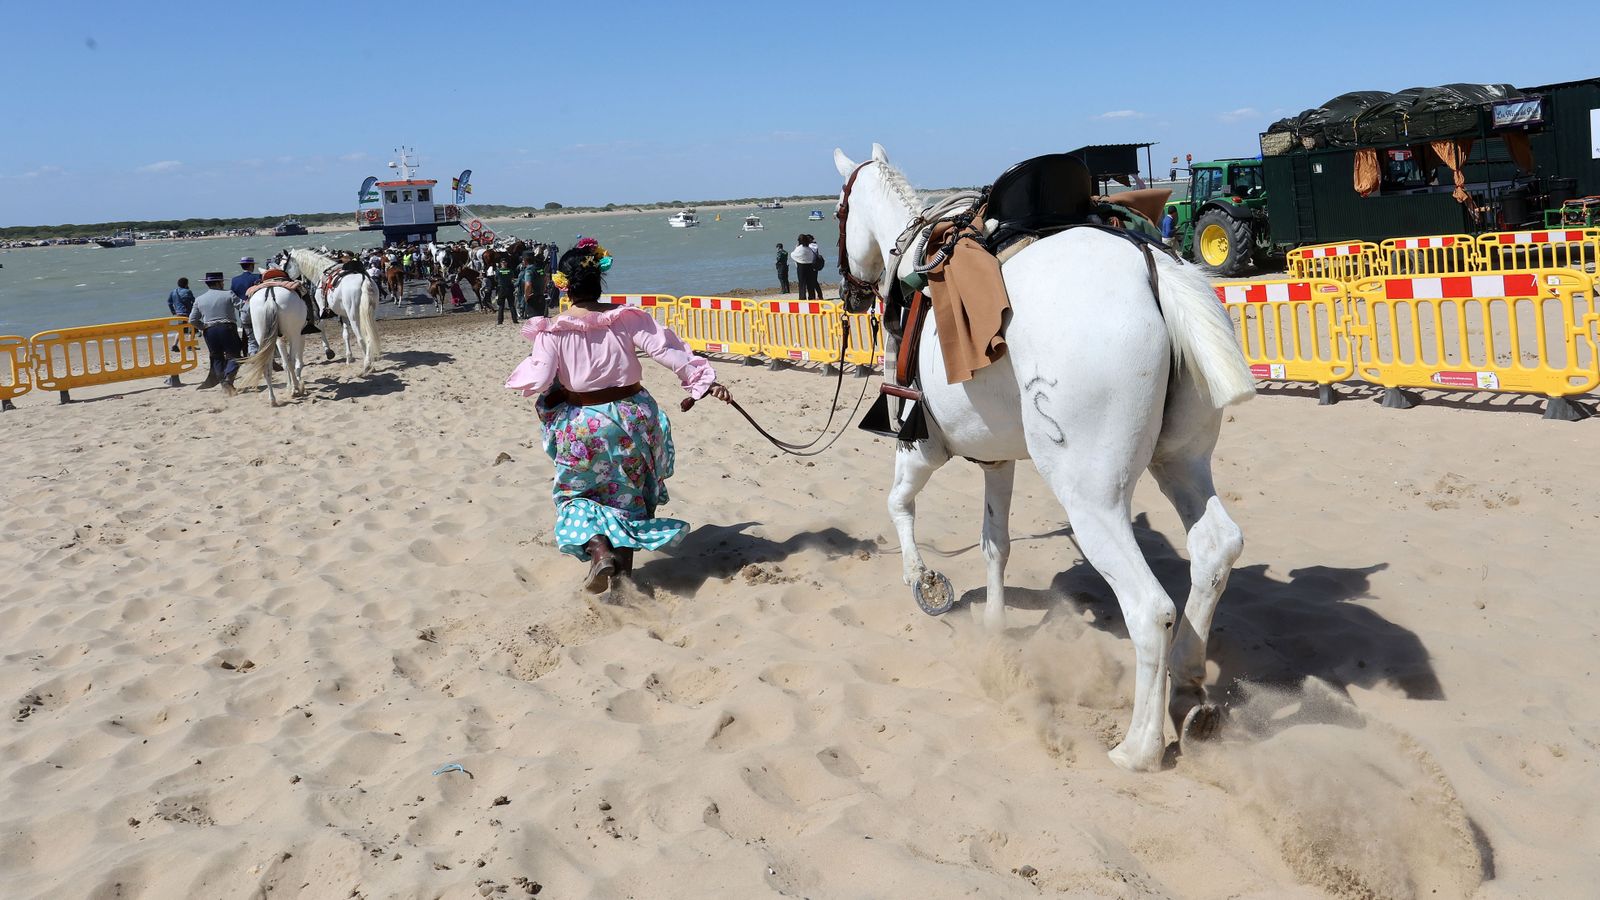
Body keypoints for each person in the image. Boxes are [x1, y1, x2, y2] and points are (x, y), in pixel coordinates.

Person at [505, 237, 732, 593]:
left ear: (562, 286)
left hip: (582, 425)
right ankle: (623, 584)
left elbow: (539, 377)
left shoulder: (552, 330)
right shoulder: (625, 318)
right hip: (632, 420)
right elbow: (667, 350)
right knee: (629, 498)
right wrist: (702, 381)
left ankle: (598, 551)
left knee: (576, 495)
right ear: (600, 281)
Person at [190, 272, 242, 395]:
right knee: (234, 355)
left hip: (210, 331)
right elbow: (243, 307)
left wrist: (203, 327)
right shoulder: (228, 294)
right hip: (227, 328)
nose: (223, 284)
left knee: (217, 357)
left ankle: (223, 382)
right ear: (219, 283)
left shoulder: (199, 299)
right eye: (222, 282)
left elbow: (192, 320)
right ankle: (228, 379)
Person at [165, 278, 196, 386]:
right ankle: (189, 345)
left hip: (178, 313)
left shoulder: (174, 292)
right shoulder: (187, 291)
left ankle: (174, 345)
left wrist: (173, 311)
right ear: (186, 284)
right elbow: (193, 301)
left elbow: (169, 302)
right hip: (187, 313)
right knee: (192, 328)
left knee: (181, 330)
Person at [231, 257, 262, 354]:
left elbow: (233, 296)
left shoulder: (235, 280)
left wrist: (241, 306)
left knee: (247, 333)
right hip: (257, 307)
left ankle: (246, 352)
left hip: (243, 310)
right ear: (251, 266)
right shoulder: (258, 277)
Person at [517, 251, 547, 318]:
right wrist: (543, 290)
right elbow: (546, 279)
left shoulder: (529, 270)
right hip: (541, 296)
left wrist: (527, 296)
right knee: (541, 318)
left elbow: (528, 284)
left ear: (525, 260)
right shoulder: (540, 269)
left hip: (533, 298)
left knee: (533, 319)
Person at [789, 235, 818, 300]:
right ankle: (811, 297)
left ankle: (802, 297)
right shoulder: (809, 248)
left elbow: (792, 255)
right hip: (809, 265)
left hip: (801, 266)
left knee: (802, 283)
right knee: (810, 283)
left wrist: (796, 247)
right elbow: (812, 256)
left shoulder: (799, 248)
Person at [494, 256, 518, 325]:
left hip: (501, 289)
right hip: (509, 288)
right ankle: (515, 320)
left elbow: (496, 279)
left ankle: (500, 321)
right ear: (506, 263)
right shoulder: (510, 271)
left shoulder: (498, 271)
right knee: (511, 305)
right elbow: (512, 278)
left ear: (501, 263)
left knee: (501, 306)